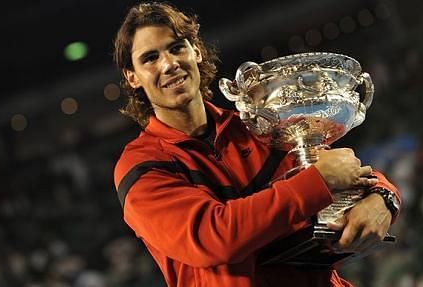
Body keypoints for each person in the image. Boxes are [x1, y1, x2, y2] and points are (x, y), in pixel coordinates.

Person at [112, 2, 401, 286]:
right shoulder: (140, 164)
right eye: (150, 58)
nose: (169, 64)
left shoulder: (259, 125)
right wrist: (316, 183)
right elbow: (212, 237)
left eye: (177, 47)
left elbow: (339, 171)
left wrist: (383, 198)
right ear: (132, 77)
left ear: (196, 51)